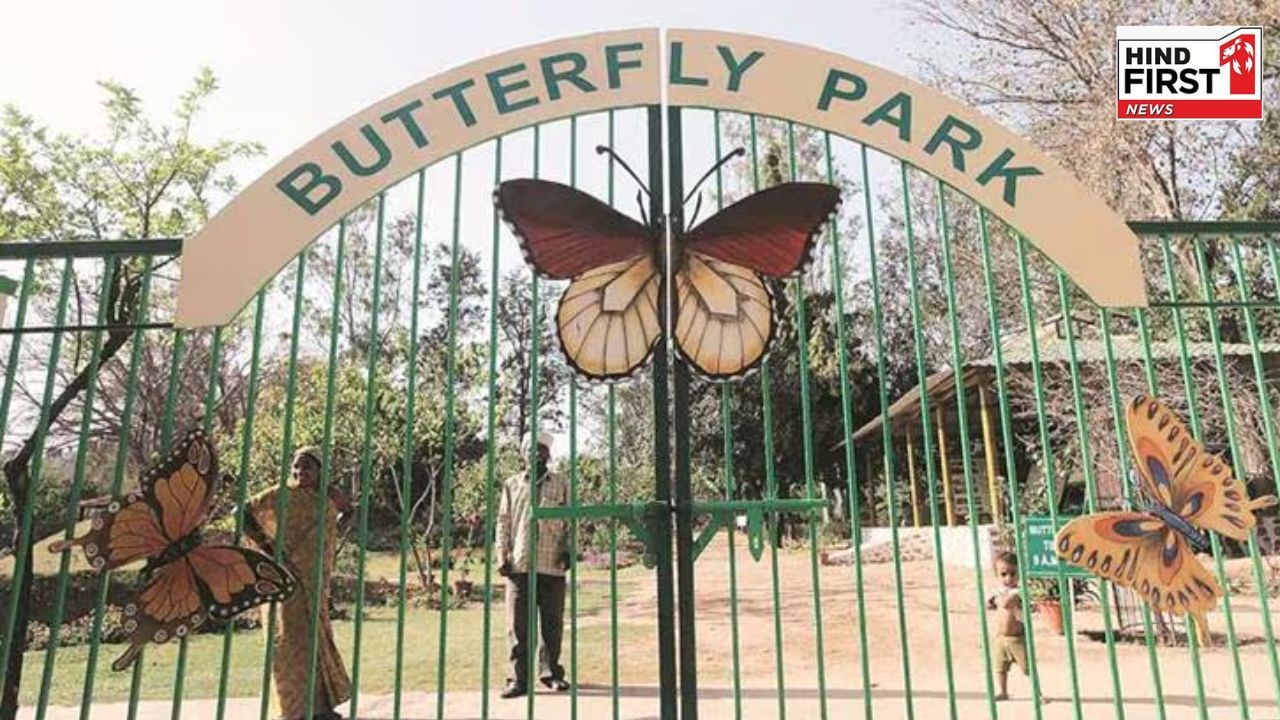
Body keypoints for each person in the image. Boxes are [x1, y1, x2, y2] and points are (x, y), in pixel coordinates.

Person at [245, 446, 354, 720]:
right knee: (289, 644)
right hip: (286, 582)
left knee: (315, 641)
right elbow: (241, 512)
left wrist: (330, 526)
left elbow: (348, 512)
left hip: (315, 581)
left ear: (319, 470)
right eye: (295, 467)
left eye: (306, 467)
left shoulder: (325, 497)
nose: (299, 472)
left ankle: (320, 708)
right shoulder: (283, 495)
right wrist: (269, 547)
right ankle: (293, 710)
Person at [496, 430, 571, 699]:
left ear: (548, 454)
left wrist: (570, 550)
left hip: (552, 563)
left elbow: (570, 519)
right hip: (519, 563)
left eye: (541, 450)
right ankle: (518, 679)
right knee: (517, 626)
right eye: (531, 450)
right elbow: (503, 521)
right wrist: (501, 555)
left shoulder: (561, 483)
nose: (536, 455)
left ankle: (551, 674)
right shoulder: (512, 484)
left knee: (552, 623)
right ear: (524, 454)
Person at [987, 550, 1033, 702]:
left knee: (1027, 667)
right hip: (1000, 637)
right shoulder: (998, 591)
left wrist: (998, 599)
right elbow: (989, 603)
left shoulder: (1017, 591)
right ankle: (1003, 691)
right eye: (1004, 574)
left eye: (1013, 573)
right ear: (997, 575)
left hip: (1016, 638)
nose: (1009, 578)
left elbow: (1005, 603)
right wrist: (994, 600)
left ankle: (1037, 692)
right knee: (1000, 668)